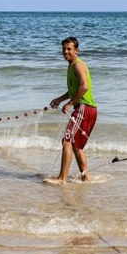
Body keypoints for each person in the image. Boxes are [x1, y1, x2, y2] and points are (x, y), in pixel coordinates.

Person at [43, 37, 98, 185]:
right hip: (87, 109)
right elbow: (74, 89)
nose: (65, 52)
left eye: (69, 49)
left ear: (76, 50)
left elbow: (84, 87)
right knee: (76, 145)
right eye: (64, 49)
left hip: (84, 108)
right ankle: (86, 178)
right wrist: (60, 99)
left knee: (67, 140)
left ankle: (62, 178)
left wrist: (70, 104)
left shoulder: (77, 65)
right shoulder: (71, 65)